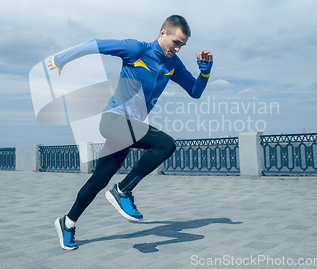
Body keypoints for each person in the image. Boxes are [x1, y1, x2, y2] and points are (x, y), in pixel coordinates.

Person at [48, 15, 213, 250]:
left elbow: (195, 91)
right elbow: (95, 45)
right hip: (113, 120)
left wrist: (205, 72)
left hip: (129, 129)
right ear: (163, 33)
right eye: (176, 42)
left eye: (182, 45)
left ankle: (68, 223)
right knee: (166, 144)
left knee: (99, 180)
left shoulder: (173, 65)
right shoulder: (137, 49)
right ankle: (123, 190)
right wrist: (60, 59)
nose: (177, 49)